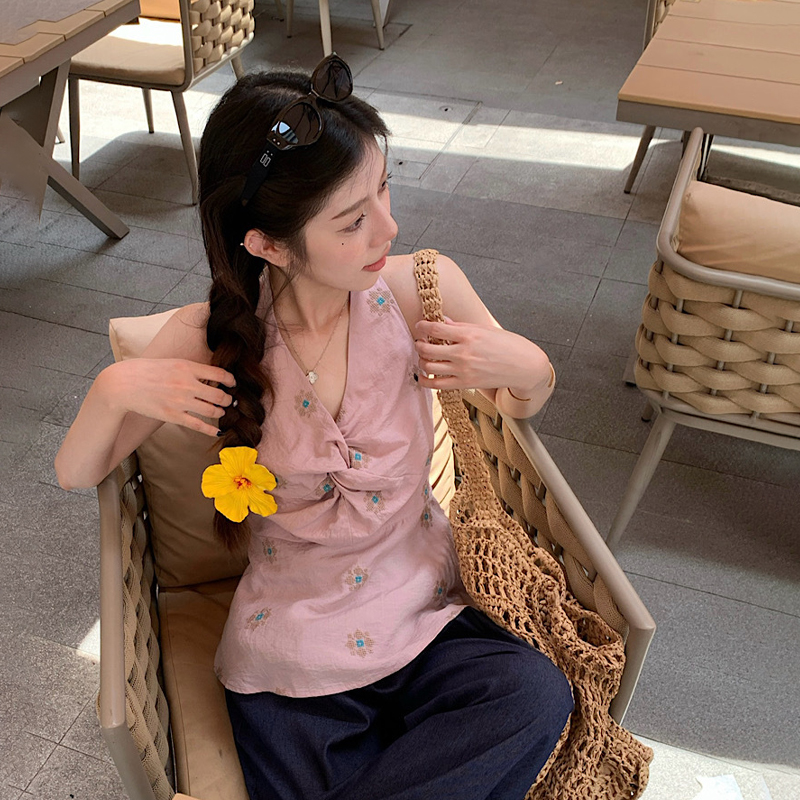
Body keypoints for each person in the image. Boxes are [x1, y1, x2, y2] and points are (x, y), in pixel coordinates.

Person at [55, 55, 572, 800]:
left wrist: (530, 366)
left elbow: (520, 404)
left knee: (534, 695)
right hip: (291, 652)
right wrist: (112, 388)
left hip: (426, 614)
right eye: (353, 221)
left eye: (385, 187)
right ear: (267, 243)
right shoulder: (212, 338)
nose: (389, 227)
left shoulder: (419, 289)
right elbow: (77, 471)